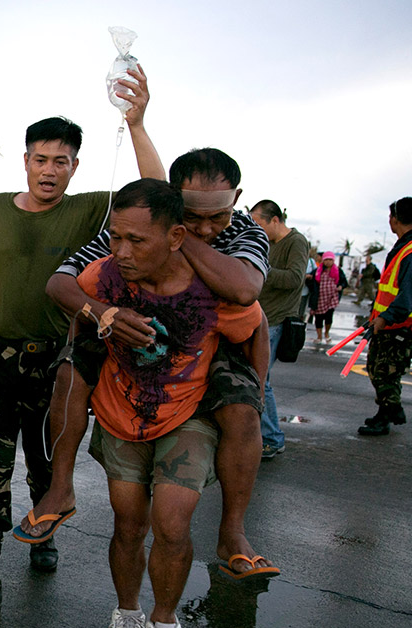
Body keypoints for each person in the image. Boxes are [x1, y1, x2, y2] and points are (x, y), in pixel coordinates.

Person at [39, 66, 277, 583]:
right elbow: (62, 282)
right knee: (70, 371)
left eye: (218, 216)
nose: (208, 227)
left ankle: (233, 530)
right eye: (193, 215)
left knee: (243, 409)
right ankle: (60, 488)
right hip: (129, 339)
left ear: (238, 198)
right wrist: (102, 311)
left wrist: (175, 234)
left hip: (209, 346)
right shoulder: (135, 232)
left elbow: (244, 292)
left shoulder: (241, 234)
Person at [75, 179, 265, 628]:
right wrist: (101, 317)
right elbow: (66, 295)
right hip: (122, 414)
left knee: (173, 523)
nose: (122, 251)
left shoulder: (211, 287)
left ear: (176, 236)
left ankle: (164, 623)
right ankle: (127, 613)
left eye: (136, 241)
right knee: (128, 524)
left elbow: (256, 322)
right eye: (116, 238)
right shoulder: (107, 276)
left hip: (186, 418)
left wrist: (255, 392)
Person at [0, 116, 111, 617]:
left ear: (74, 167)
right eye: (39, 160)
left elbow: (154, 190)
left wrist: (137, 122)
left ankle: (44, 534)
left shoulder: (88, 210)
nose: (48, 171)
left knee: (46, 465)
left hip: (55, 364)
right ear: (25, 161)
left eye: (59, 162)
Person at [358, 197, 412, 436]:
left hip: (402, 325)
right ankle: (386, 411)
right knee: (378, 368)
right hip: (391, 323)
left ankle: (391, 412)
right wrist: (376, 316)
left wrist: (384, 318)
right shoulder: (405, 247)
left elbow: (407, 297)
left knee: (385, 372)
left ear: (395, 219)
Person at [249, 200, 309, 459]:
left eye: (259, 224)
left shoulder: (296, 242)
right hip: (259, 317)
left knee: (262, 380)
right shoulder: (268, 243)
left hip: (275, 320)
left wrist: (260, 270)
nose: (257, 230)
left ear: (275, 220)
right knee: (257, 377)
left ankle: (272, 438)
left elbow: (295, 278)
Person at [311, 252, 343, 343]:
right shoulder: (318, 270)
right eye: (326, 260)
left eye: (330, 260)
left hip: (331, 298)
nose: (328, 262)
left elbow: (343, 282)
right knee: (319, 318)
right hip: (319, 298)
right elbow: (311, 280)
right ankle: (319, 336)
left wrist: (340, 286)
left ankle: (327, 333)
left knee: (329, 317)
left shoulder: (338, 271)